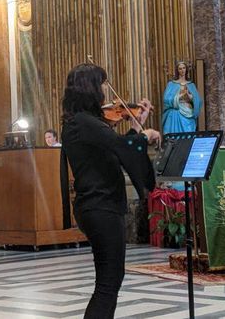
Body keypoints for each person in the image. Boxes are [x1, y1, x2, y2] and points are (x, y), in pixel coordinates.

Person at [60, 63, 160, 319]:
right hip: (101, 206)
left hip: (97, 205)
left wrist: (137, 126)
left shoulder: (82, 122)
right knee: (107, 284)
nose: (106, 90)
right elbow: (122, 146)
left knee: (110, 280)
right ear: (91, 87)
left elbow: (115, 150)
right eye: (103, 83)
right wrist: (145, 135)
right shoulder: (85, 123)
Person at [162, 61, 202, 134]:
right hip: (175, 113)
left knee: (188, 135)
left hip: (188, 112)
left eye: (184, 68)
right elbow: (166, 99)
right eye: (180, 69)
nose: (182, 70)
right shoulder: (171, 84)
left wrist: (191, 97)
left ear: (186, 69)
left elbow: (198, 100)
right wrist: (179, 97)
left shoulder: (191, 85)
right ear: (177, 70)